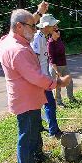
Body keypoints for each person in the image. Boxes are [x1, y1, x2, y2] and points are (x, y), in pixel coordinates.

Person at [0, 2, 72, 163]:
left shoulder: (8, 39)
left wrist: (39, 13)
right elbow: (36, 77)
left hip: (27, 97)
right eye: (32, 26)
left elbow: (26, 23)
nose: (35, 28)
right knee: (27, 135)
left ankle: (37, 156)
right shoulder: (19, 50)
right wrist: (58, 83)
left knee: (34, 129)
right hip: (26, 100)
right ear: (18, 27)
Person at [31, 13, 64, 143]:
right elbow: (34, 59)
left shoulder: (44, 37)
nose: (55, 26)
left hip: (44, 77)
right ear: (46, 26)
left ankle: (40, 126)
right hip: (41, 79)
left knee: (40, 104)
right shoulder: (38, 38)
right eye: (53, 24)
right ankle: (54, 131)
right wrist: (41, 79)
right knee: (50, 104)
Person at [48, 25, 77, 106]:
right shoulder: (50, 43)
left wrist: (56, 27)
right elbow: (51, 58)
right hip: (55, 67)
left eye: (58, 30)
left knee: (70, 81)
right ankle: (59, 102)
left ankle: (71, 98)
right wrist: (57, 71)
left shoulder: (59, 39)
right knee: (58, 85)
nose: (58, 32)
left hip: (64, 65)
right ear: (52, 33)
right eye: (56, 31)